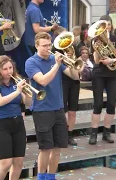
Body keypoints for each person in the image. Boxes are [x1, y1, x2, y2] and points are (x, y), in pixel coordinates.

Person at [25, 32, 80, 180]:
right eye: (44, 46)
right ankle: (41, 176)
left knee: (57, 148)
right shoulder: (31, 62)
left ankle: (51, 176)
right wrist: (57, 64)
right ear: (37, 46)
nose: (48, 48)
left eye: (49, 45)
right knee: (45, 148)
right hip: (42, 110)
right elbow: (43, 81)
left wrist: (73, 63)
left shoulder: (53, 59)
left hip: (58, 108)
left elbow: (74, 76)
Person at [0, 55, 29, 180]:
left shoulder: (16, 81)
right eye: (5, 69)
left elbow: (28, 103)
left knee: (19, 161)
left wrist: (26, 92)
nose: (9, 71)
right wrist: (17, 91)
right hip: (0, 124)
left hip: (17, 123)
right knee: (5, 163)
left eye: (10, 68)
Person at [88, 15, 116, 145]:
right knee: (97, 104)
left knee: (111, 104)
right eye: (103, 25)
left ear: (110, 26)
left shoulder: (115, 39)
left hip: (112, 74)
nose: (106, 27)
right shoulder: (95, 40)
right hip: (99, 74)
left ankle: (106, 132)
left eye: (108, 25)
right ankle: (93, 133)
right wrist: (98, 50)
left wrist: (112, 60)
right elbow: (97, 61)